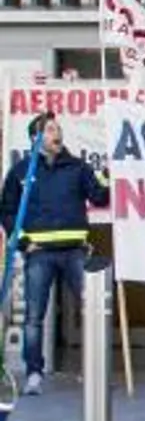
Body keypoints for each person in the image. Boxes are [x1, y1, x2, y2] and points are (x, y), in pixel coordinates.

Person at [0, 114, 110, 395]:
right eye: (50, 129)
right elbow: (8, 211)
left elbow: (100, 198)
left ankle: (94, 371)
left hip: (75, 251)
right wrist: (24, 242)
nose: (57, 133)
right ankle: (34, 373)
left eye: (58, 128)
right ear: (36, 138)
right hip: (40, 255)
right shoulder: (21, 172)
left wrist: (107, 177)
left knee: (93, 312)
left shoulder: (77, 167)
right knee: (34, 317)